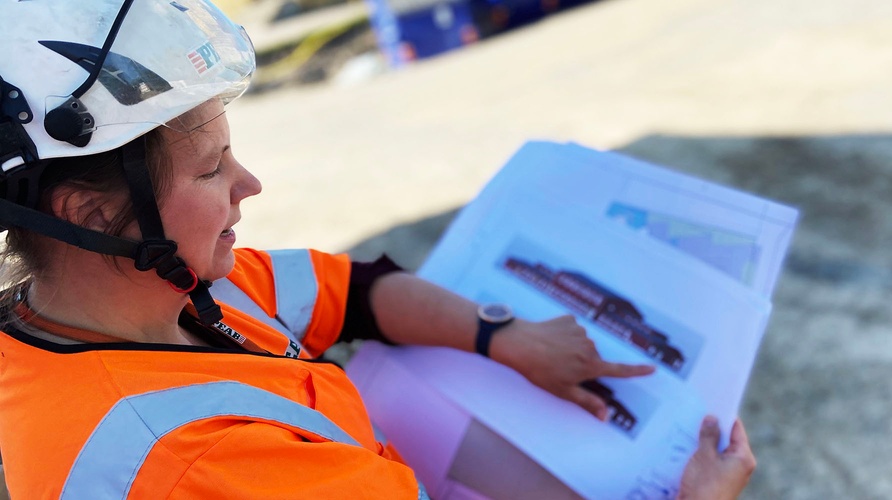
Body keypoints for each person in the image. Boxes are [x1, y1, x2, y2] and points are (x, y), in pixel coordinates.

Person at [0, 0, 754, 498]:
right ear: (92, 211)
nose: (248, 184)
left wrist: (504, 335)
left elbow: (355, 291)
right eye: (209, 168)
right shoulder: (195, 460)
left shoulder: (163, 293)